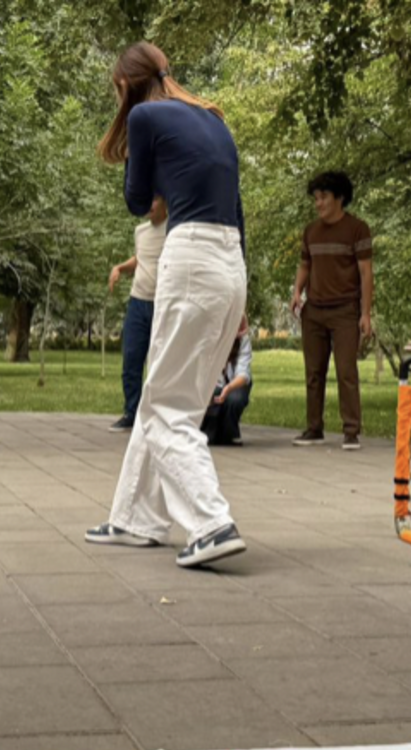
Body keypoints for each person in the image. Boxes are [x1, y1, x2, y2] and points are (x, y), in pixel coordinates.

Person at [84, 42, 249, 569]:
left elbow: (138, 202)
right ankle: (135, 518)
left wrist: (139, 148)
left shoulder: (145, 117)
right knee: (169, 395)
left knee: (164, 409)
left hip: (193, 256)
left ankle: (211, 523)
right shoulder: (214, 118)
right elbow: (237, 210)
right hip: (230, 264)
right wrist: (241, 299)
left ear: (126, 84)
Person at [288, 170, 373, 451]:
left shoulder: (357, 229)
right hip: (314, 311)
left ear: (339, 198)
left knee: (346, 371)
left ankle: (351, 431)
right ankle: (314, 428)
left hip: (345, 311)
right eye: (316, 198)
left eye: (323, 197)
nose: (318, 203)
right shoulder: (311, 231)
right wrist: (297, 291)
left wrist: (365, 314)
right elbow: (305, 265)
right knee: (313, 372)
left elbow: (366, 273)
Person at [106, 195, 167, 431]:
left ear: (165, 202)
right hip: (137, 301)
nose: (148, 205)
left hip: (162, 304)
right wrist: (120, 268)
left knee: (160, 363)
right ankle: (131, 413)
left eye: (154, 200)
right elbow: (140, 259)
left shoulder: (173, 230)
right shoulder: (140, 232)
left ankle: (158, 416)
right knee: (131, 358)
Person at [202, 327, 253, 447]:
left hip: (235, 384)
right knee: (213, 396)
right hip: (211, 384)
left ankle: (229, 433)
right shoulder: (207, 338)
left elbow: (243, 375)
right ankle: (210, 431)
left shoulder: (243, 340)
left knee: (235, 399)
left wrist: (228, 388)